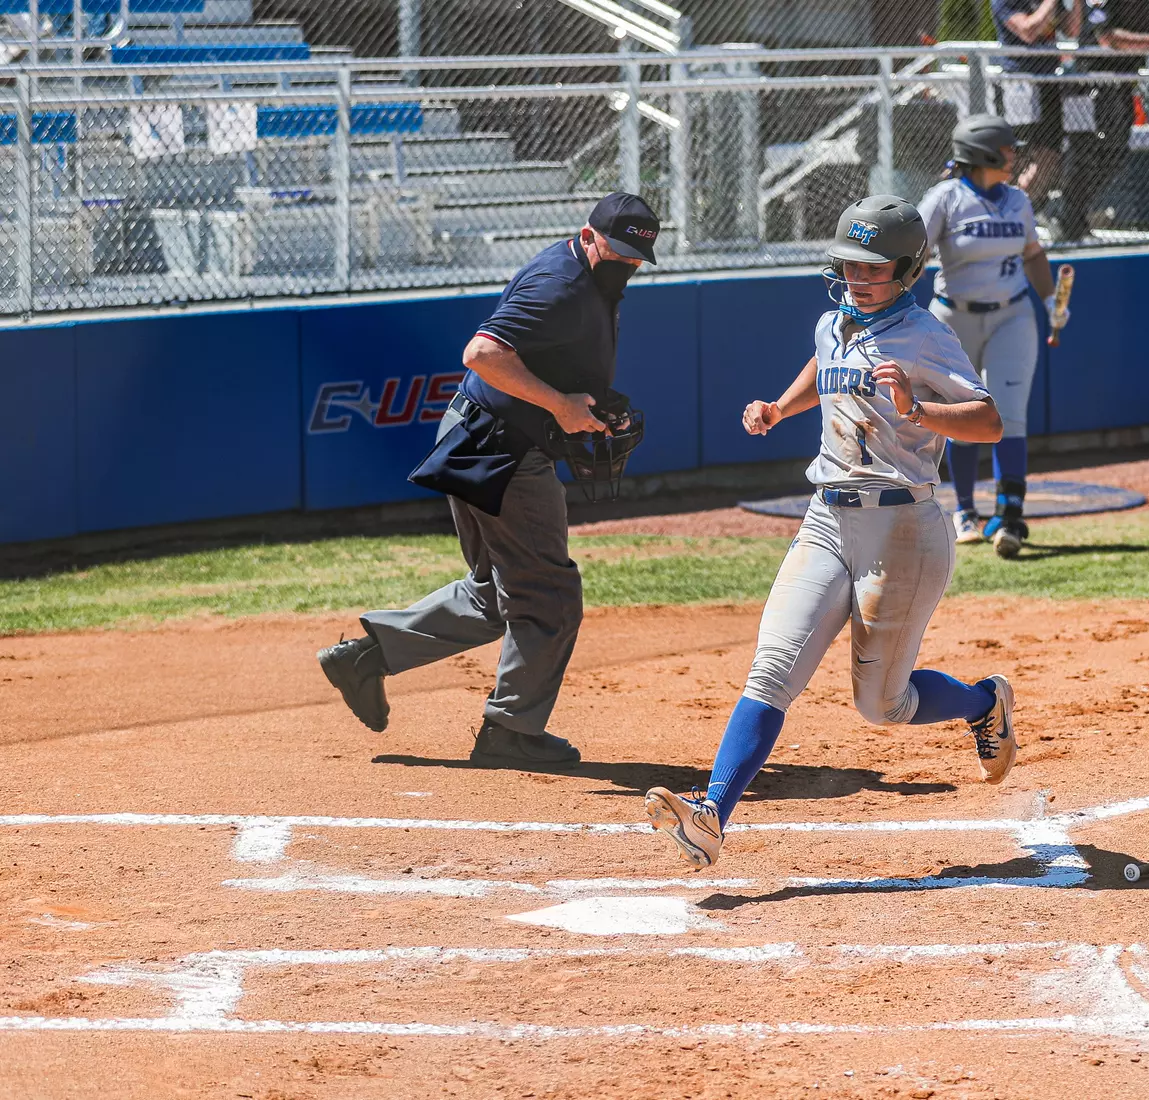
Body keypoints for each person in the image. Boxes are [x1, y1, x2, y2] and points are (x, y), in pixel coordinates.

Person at [642, 195, 1016, 868]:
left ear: (906, 271)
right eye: (847, 265)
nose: (856, 278)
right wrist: (780, 408)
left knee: (882, 705)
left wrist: (918, 407)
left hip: (901, 533)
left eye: (872, 268)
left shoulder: (927, 334)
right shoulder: (833, 321)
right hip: (826, 520)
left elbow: (987, 422)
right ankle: (710, 818)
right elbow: (827, 364)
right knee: (772, 669)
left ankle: (984, 702)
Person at [316, 192, 661, 767]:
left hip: (484, 437)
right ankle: (509, 731)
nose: (624, 264)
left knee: (494, 591)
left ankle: (365, 658)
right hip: (501, 450)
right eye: (616, 251)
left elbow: (545, 356)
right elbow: (481, 353)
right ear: (587, 235)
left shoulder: (592, 278)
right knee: (547, 594)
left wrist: (592, 403)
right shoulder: (560, 285)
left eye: (635, 257)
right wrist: (558, 405)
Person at [917, 115, 1066, 556]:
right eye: (1007, 150)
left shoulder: (1018, 200)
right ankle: (965, 510)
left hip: (1012, 314)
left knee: (1010, 412)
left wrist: (1052, 302)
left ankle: (1010, 515)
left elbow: (1033, 254)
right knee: (963, 416)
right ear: (983, 153)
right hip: (953, 318)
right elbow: (915, 252)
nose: (1014, 156)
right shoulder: (945, 197)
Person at [1059, 0, 1149, 242]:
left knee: (1116, 154)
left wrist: (1144, 41)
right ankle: (1068, 217)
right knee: (1082, 152)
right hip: (1086, 83)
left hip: (1122, 85)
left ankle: (1074, 213)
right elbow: (1108, 37)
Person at [988, 0, 1065, 211]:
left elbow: (1071, 29)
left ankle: (1016, 212)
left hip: (1049, 81)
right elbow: (1028, 30)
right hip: (1020, 83)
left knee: (1049, 155)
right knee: (1014, 159)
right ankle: (1000, 214)